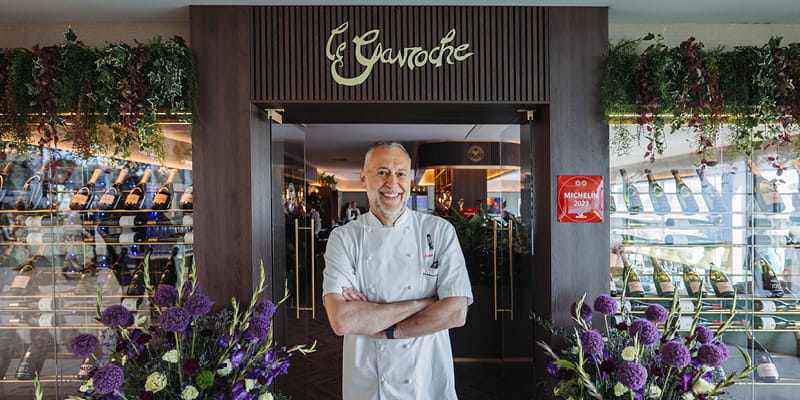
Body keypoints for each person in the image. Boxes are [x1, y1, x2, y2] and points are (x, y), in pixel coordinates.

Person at [323, 142, 473, 400]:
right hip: (369, 380)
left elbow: (456, 313)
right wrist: (425, 303)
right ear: (363, 178)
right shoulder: (344, 238)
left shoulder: (439, 231)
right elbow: (343, 320)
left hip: (427, 377)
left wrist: (386, 328)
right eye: (382, 172)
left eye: (401, 173)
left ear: (411, 179)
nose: (392, 183)